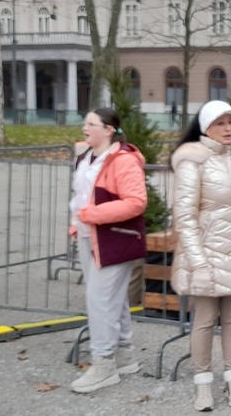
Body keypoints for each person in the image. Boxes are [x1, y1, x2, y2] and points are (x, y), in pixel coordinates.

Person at [171, 100, 231, 411]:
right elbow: (185, 217)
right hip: (206, 256)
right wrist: (198, 263)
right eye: (220, 123)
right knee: (205, 320)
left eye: (230, 122)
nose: (228, 128)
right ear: (206, 127)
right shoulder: (192, 163)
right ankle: (203, 384)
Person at [67, 108, 149, 394]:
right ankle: (124, 354)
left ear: (108, 130)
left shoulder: (123, 160)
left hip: (114, 238)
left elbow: (136, 201)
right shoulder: (86, 156)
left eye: (91, 124)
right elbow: (80, 196)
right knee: (111, 298)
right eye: (85, 123)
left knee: (100, 300)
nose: (85, 127)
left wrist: (90, 215)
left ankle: (103, 364)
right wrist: (76, 224)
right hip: (89, 235)